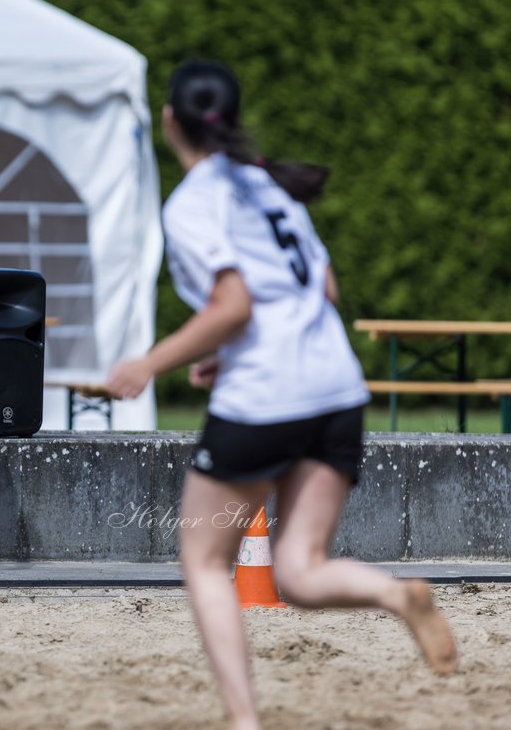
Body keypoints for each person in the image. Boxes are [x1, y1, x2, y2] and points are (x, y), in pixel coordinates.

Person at [106, 60, 457, 729]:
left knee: (204, 561)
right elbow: (320, 292)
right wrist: (224, 355)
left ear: (170, 121)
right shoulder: (270, 186)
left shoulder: (192, 204)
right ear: (232, 119)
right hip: (335, 388)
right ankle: (396, 591)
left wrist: (151, 361)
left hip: (267, 399)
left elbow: (234, 303)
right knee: (297, 572)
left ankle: (244, 721)